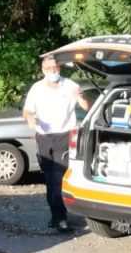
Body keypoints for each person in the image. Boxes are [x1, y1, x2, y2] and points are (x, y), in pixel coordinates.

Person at [22, 54, 90, 231]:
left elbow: (86, 106)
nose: (54, 71)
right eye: (50, 68)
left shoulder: (70, 85)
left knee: (58, 177)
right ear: (43, 70)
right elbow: (27, 111)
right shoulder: (37, 89)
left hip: (63, 136)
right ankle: (55, 214)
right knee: (49, 177)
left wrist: (82, 98)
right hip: (44, 137)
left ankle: (61, 218)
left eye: (56, 68)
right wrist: (30, 118)